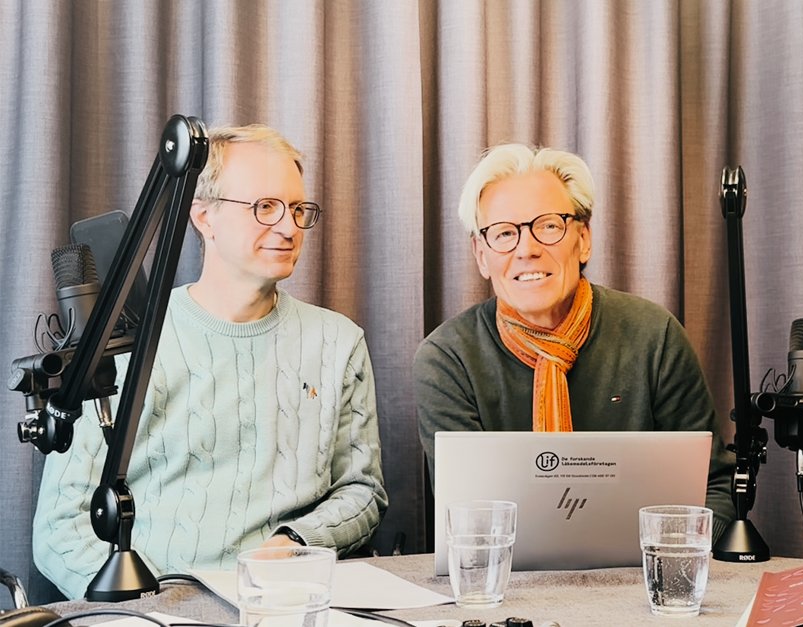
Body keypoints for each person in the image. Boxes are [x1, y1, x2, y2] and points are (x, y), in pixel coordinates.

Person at [33, 124, 388, 599]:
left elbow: (362, 492)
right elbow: (60, 528)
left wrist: (297, 542)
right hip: (155, 610)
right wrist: (150, 609)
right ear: (203, 216)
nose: (288, 227)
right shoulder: (119, 345)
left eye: (298, 209)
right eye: (265, 207)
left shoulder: (338, 341)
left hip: (283, 603)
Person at [413, 143, 735, 536]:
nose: (527, 250)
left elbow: (711, 491)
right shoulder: (447, 359)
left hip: (643, 582)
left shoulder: (655, 336)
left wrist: (658, 569)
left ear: (583, 239)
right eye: (503, 234)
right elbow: (468, 523)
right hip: (509, 590)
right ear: (482, 255)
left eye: (548, 226)